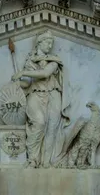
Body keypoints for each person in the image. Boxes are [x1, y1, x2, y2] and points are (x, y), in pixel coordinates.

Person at [11, 31, 69, 167]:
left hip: (53, 94)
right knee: (39, 122)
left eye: (51, 43)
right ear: (39, 43)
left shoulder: (54, 60)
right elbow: (27, 83)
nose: (50, 46)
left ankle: (46, 161)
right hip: (35, 93)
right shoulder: (29, 61)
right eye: (47, 43)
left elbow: (45, 73)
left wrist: (23, 72)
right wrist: (17, 83)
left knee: (52, 128)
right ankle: (33, 159)